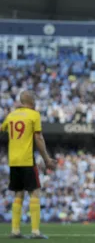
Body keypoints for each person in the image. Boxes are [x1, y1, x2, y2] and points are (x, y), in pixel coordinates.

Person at [1, 91, 57, 239]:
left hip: (13, 161)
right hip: (26, 160)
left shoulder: (11, 115)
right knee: (34, 193)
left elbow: (2, 128)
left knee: (18, 194)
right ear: (32, 100)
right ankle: (35, 232)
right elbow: (38, 137)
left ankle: (15, 231)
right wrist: (47, 159)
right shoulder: (34, 115)